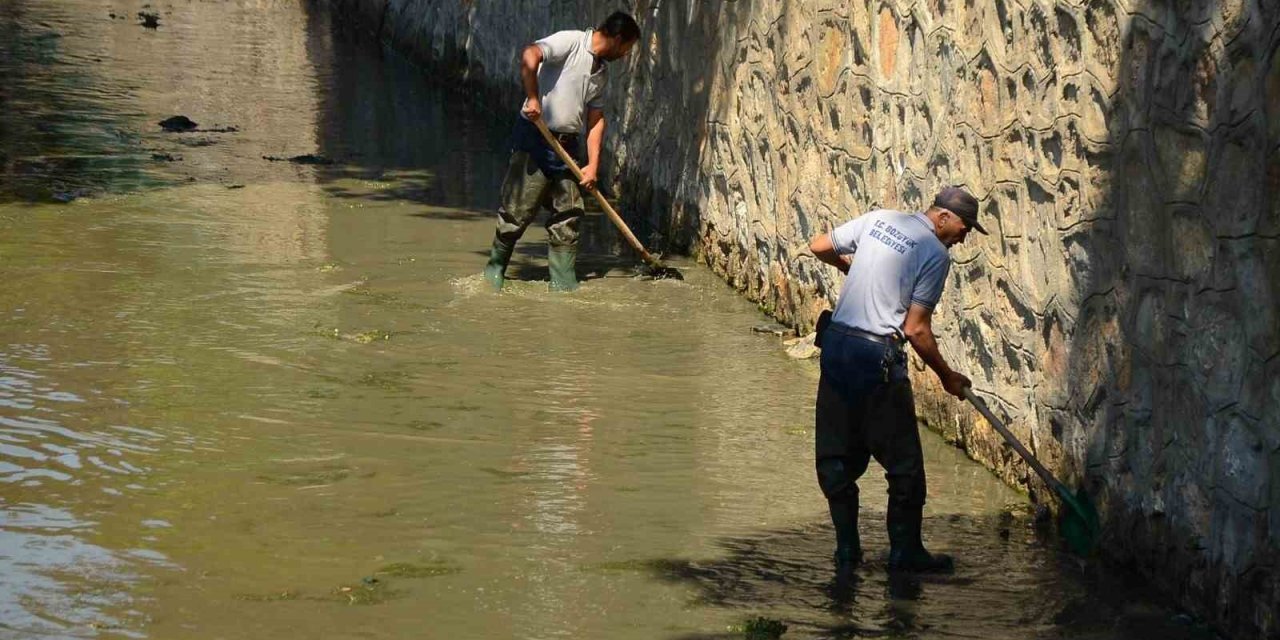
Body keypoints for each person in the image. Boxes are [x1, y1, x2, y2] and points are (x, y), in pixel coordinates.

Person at [808, 186, 987, 573]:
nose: (965, 235)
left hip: (837, 347)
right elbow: (917, 329)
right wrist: (947, 376)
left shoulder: (879, 218)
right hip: (876, 359)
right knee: (904, 466)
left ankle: (846, 553)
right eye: (964, 226)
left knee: (835, 455)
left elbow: (819, 245)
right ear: (942, 217)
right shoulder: (936, 255)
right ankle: (905, 554)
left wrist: (848, 267)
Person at [482, 11, 641, 292]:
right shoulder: (571, 42)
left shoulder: (601, 73)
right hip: (536, 137)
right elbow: (530, 54)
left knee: (569, 211)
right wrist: (533, 97)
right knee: (518, 210)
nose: (626, 55)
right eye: (627, 49)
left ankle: (563, 281)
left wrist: (593, 165)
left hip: (567, 146)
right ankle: (495, 268)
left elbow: (595, 120)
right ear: (617, 40)